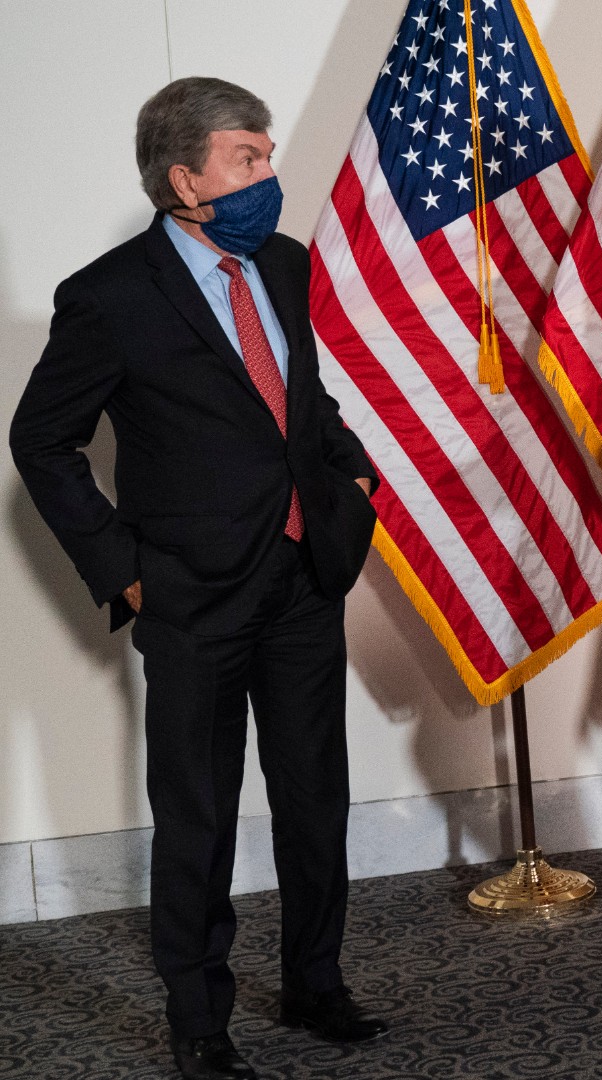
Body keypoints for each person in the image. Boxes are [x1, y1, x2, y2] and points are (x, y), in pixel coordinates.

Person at [9, 78, 387, 1079]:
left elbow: (299, 396)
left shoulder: (286, 262)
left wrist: (351, 473)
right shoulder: (110, 296)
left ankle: (317, 986)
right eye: (248, 159)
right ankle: (200, 1022)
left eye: (267, 154)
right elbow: (40, 441)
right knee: (199, 813)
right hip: (189, 597)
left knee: (317, 799)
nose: (270, 173)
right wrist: (123, 572)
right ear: (186, 179)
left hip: (304, 575)